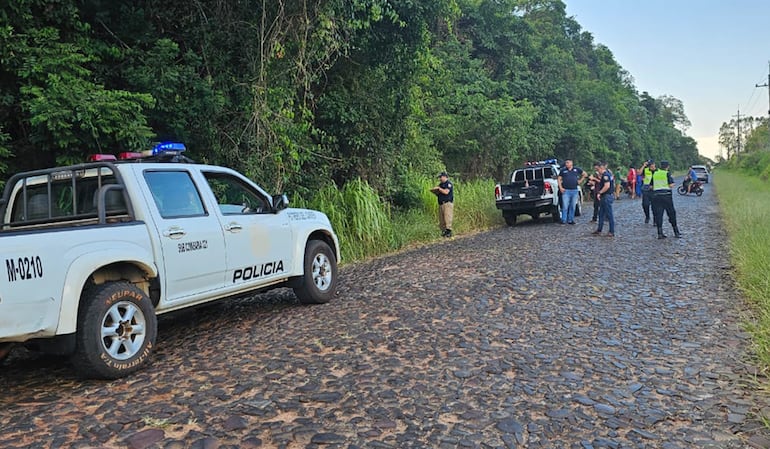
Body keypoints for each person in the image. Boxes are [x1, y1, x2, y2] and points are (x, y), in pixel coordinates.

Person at [649, 160, 680, 239]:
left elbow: (651, 186)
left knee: (659, 214)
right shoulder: (667, 173)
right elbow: (671, 185)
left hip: (656, 196)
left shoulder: (655, 173)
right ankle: (676, 232)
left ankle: (660, 233)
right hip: (666, 196)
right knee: (671, 213)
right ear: (667, 167)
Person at [557, 159, 587, 225]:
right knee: (565, 206)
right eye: (566, 163)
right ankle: (563, 220)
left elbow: (585, 174)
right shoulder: (563, 170)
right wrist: (561, 188)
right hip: (566, 190)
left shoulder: (576, 169)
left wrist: (580, 181)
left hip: (574, 190)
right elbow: (559, 179)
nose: (566, 164)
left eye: (568, 162)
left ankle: (571, 220)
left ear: (571, 163)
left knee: (573, 206)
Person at [591, 161, 615, 237]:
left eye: (598, 169)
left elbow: (607, 186)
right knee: (601, 214)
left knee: (609, 214)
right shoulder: (607, 175)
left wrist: (600, 192)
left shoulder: (605, 175)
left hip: (606, 196)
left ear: (601, 168)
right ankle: (599, 229)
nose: (597, 171)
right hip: (605, 196)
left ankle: (611, 231)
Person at [433, 172, 454, 237]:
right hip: (441, 203)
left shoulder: (448, 184)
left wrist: (439, 189)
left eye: (441, 177)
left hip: (447, 203)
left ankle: (449, 232)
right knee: (441, 219)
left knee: (447, 217)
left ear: (445, 177)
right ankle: (443, 231)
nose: (440, 179)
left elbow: (446, 192)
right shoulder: (440, 184)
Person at [639, 159, 656, 224]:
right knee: (645, 204)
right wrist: (643, 166)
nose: (651, 166)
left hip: (655, 189)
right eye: (649, 165)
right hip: (646, 188)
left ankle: (655, 220)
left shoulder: (657, 171)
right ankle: (647, 216)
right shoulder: (646, 170)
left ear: (654, 164)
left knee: (655, 206)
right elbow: (639, 173)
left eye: (651, 165)